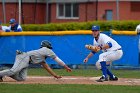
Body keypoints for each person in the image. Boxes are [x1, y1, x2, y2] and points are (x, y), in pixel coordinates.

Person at [0, 40, 72, 82]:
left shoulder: (41, 57)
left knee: (22, 78)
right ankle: (2, 73)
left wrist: (55, 75)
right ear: (48, 46)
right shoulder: (47, 50)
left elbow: (47, 67)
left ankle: (3, 73)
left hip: (26, 60)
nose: (50, 48)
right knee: (13, 71)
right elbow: (58, 60)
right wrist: (66, 67)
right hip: (24, 57)